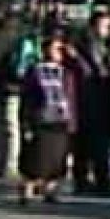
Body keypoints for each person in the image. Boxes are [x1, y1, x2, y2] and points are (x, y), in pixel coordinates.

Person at [18, 34, 78, 205]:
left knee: (57, 157)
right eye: (55, 48)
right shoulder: (35, 70)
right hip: (42, 118)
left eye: (61, 49)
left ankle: (50, 189)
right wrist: (26, 122)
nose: (59, 52)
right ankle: (28, 188)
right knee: (36, 157)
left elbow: (73, 94)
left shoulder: (66, 72)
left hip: (61, 119)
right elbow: (28, 98)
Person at [0, 10, 37, 181]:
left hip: (6, 87)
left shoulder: (5, 40)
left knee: (5, 128)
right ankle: (5, 164)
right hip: (10, 87)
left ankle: (5, 164)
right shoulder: (19, 40)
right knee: (8, 128)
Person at [71, 10, 110, 194]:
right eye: (105, 26)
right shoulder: (93, 44)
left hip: (86, 98)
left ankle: (82, 180)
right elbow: (98, 69)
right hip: (94, 97)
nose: (108, 30)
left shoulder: (85, 43)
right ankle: (102, 182)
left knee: (83, 144)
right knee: (98, 143)